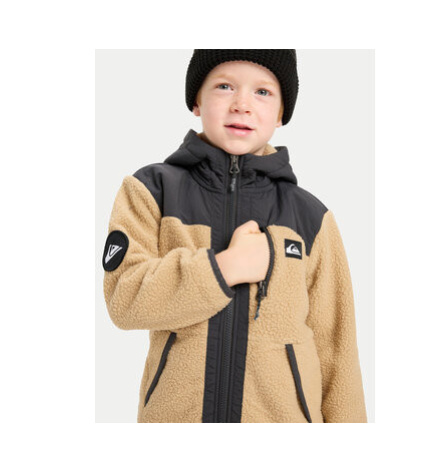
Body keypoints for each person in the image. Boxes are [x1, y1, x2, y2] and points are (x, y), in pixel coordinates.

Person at [102, 49, 368, 423]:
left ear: (281, 112)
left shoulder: (311, 218)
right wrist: (224, 268)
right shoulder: (150, 190)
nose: (242, 104)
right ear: (196, 100)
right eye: (224, 86)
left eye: (263, 92)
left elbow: (338, 350)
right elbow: (125, 298)